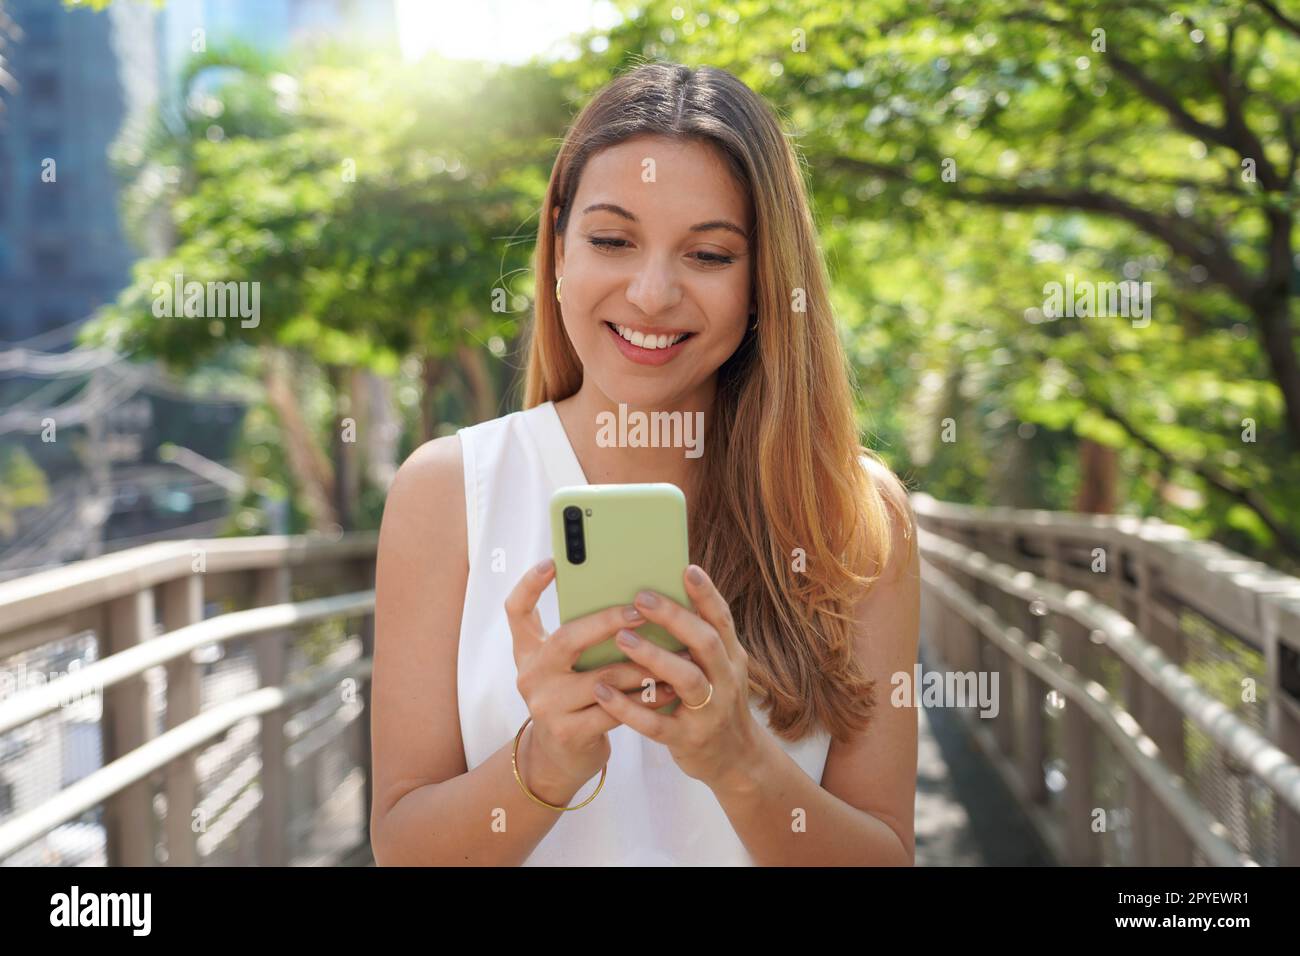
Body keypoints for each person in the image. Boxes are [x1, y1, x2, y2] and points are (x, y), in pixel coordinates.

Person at [369, 62, 919, 866]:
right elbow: (403, 850)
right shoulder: (448, 492)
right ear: (557, 248)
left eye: (709, 254)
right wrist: (546, 762)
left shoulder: (855, 514)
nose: (653, 293)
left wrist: (740, 761)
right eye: (612, 241)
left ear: (765, 281)